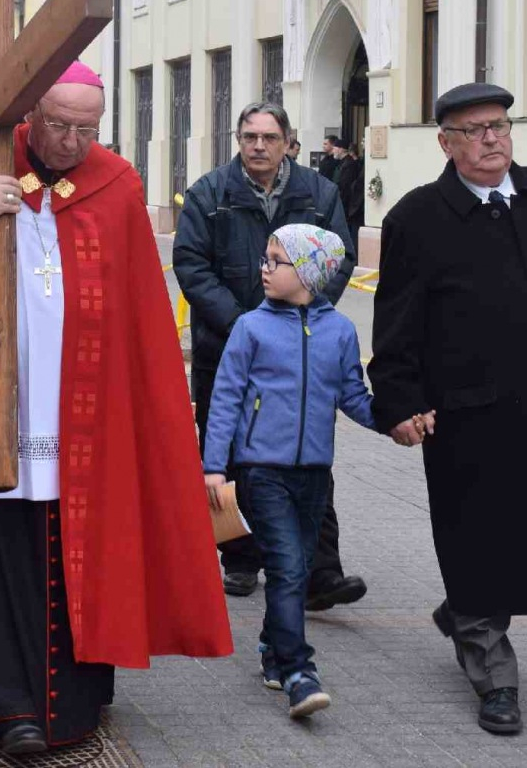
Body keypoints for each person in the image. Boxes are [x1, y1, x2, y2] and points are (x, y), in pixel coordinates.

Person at [0, 62, 233, 757]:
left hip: (86, 419)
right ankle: (7, 707)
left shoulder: (115, 183)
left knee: (80, 556)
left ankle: (76, 702)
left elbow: (139, 314)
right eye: (59, 125)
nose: (71, 142)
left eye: (86, 129)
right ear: (33, 114)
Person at [369, 82, 527, 737]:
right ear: (445, 143)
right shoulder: (418, 218)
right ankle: (494, 676)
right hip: (469, 418)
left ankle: (463, 611)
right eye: (474, 129)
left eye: (499, 125)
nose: (490, 139)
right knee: (477, 539)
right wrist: (400, 401)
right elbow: (395, 323)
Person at [173, 102, 365, 609]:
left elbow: (341, 257)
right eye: (249, 137)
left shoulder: (318, 193)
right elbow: (191, 264)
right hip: (226, 348)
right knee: (230, 455)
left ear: (287, 143)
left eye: (269, 138)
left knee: (306, 458)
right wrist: (244, 326)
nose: (258, 146)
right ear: (238, 139)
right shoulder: (210, 194)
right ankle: (239, 559)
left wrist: (305, 313)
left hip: (300, 353)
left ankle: (321, 572)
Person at [202, 225, 385, 720]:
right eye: (265, 258)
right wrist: (213, 467)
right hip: (263, 471)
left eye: (275, 261)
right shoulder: (250, 328)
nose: (263, 269)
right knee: (285, 567)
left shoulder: (339, 331)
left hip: (314, 474)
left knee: (297, 569)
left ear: (307, 272)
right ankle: (300, 672)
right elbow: (224, 400)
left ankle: (272, 649)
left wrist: (395, 421)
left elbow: (354, 397)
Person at [334, 142, 365, 241]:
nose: (333, 151)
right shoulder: (343, 163)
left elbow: (345, 187)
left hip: (346, 205)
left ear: (341, 149)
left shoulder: (349, 164)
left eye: (335, 148)